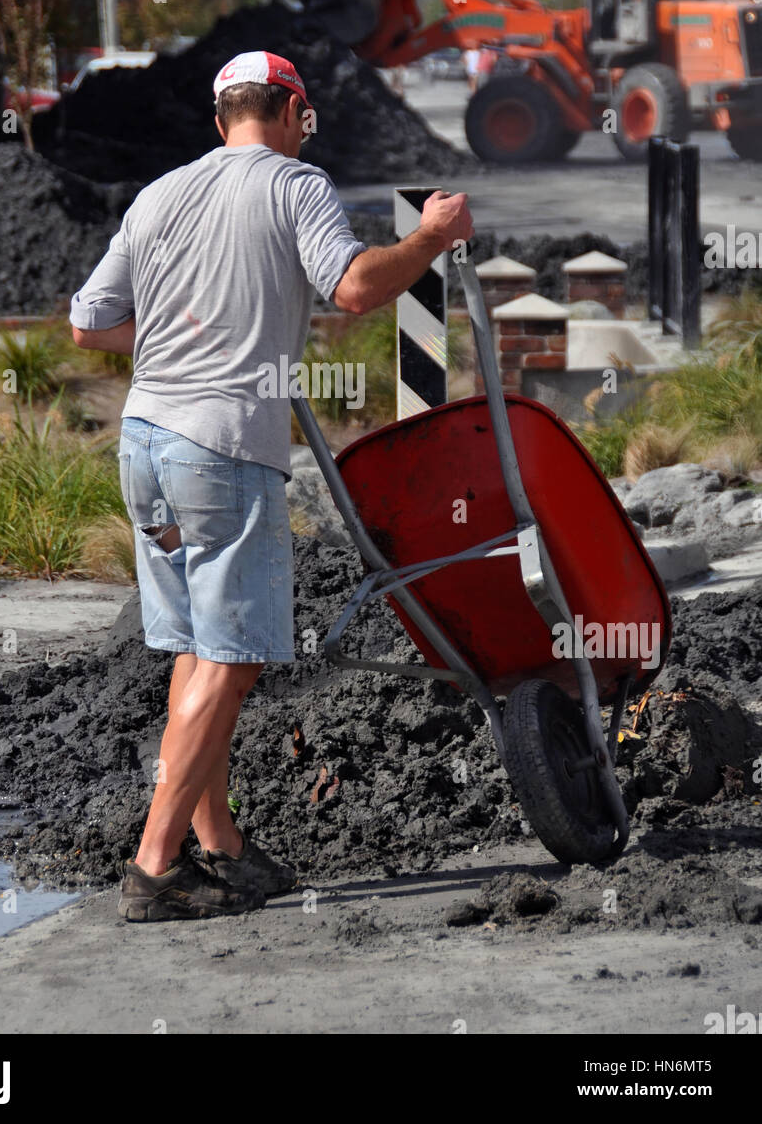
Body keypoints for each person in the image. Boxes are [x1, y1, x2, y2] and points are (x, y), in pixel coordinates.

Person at [69, 49, 474, 923]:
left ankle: (218, 843)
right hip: (221, 448)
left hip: (144, 444)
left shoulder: (159, 194)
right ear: (291, 114)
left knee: (195, 650)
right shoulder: (294, 185)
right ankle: (154, 865)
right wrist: (431, 238)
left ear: (220, 120)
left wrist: (176, 340)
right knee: (234, 656)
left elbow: (87, 323)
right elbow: (357, 286)